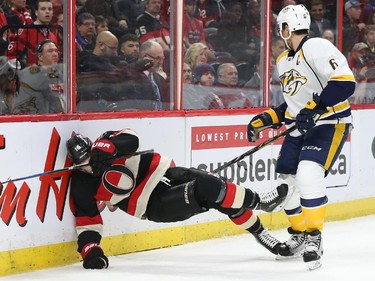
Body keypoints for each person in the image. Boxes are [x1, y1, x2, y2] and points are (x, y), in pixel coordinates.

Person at [66, 128, 289, 269]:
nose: (90, 165)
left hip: (167, 174)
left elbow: (132, 138)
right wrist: (91, 251)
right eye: (83, 163)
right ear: (76, 164)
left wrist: (109, 148)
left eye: (90, 157)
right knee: (208, 188)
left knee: (220, 194)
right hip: (155, 204)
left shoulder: (105, 143)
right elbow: (87, 221)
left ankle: (261, 231)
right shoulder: (81, 184)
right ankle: (260, 202)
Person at [247, 4, 355, 270]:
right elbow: (294, 105)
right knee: (287, 181)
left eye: (281, 26)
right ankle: (300, 235)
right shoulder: (284, 60)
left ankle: (314, 237)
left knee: (308, 174)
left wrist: (316, 108)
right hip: (301, 126)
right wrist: (267, 119)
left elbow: (345, 83)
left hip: (330, 122)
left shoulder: (316, 46)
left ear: (288, 27)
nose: (278, 31)